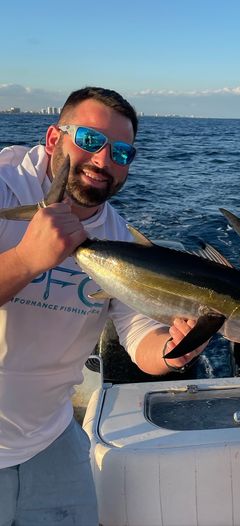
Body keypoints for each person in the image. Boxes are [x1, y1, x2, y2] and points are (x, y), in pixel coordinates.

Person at [0, 87, 207, 525]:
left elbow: (139, 339)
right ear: (54, 139)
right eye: (90, 141)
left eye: (122, 152)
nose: (103, 160)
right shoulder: (4, 185)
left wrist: (174, 350)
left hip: (49, 437)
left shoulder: (120, 240)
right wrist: (25, 260)